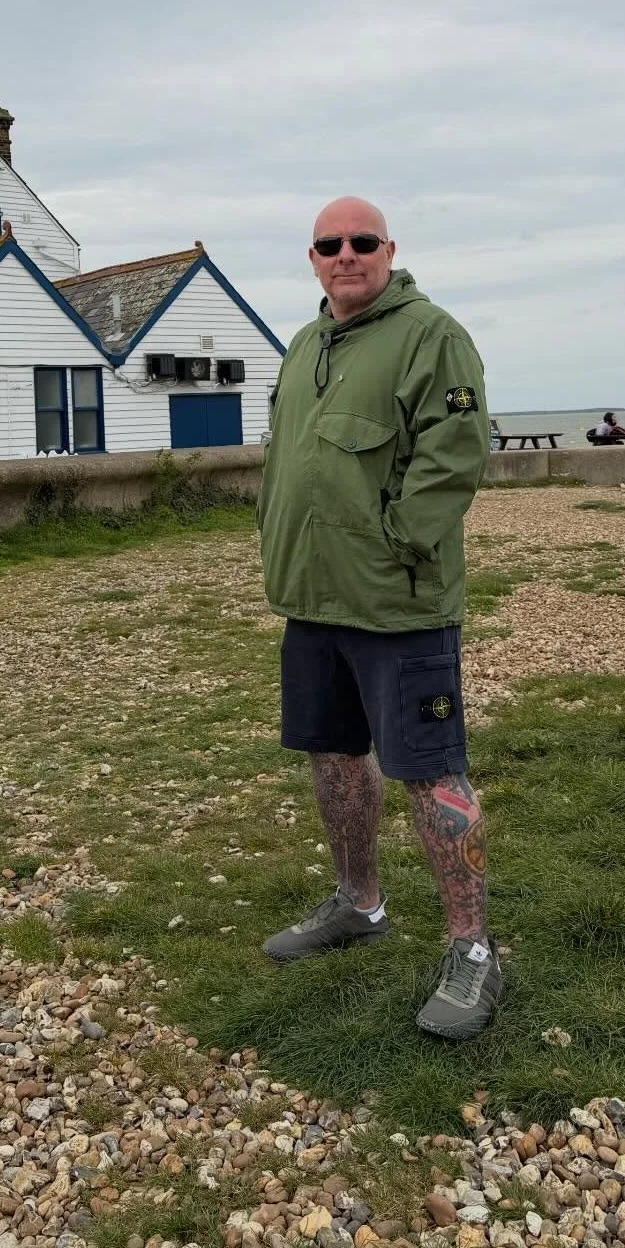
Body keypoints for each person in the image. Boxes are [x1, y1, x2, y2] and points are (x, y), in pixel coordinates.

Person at [255, 197, 499, 1041]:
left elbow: (457, 452)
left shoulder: (433, 335)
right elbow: (285, 459)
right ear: (313, 258)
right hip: (314, 601)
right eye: (331, 244)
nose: (347, 254)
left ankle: (472, 952)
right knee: (333, 759)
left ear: (390, 250)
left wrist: (396, 541)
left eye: (363, 242)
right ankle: (359, 905)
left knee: (432, 769)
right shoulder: (304, 345)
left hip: (400, 603)